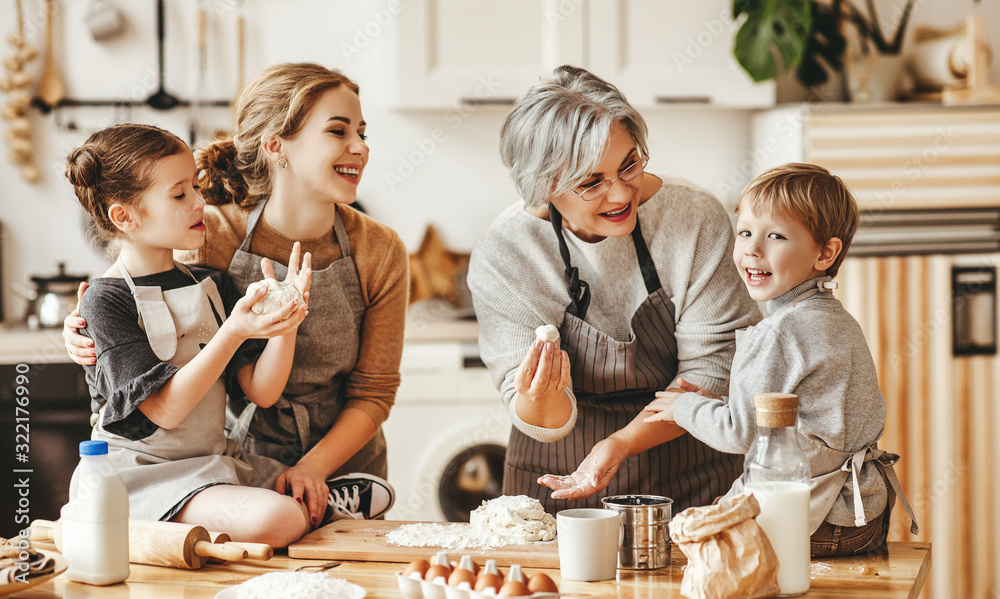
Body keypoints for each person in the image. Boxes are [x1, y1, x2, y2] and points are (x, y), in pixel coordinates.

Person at [63, 63, 407, 528]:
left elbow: (373, 391)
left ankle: (321, 505)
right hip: (237, 466)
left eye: (362, 132)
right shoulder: (208, 234)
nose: (361, 148)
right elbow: (131, 279)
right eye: (338, 131)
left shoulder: (380, 250)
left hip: (336, 467)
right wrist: (81, 329)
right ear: (275, 146)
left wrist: (312, 469)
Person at [467, 65, 761, 514]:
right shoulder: (506, 253)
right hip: (558, 477)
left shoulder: (693, 217)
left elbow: (714, 367)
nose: (621, 194)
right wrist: (540, 398)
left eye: (629, 164)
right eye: (591, 182)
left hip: (694, 468)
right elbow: (537, 417)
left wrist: (623, 443)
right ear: (545, 185)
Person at [643, 163, 919, 556]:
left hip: (817, 518)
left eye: (775, 235)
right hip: (865, 515)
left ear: (825, 252)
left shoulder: (780, 333)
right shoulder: (834, 317)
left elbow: (739, 433)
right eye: (744, 232)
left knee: (696, 550)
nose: (753, 249)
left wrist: (683, 407)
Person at [66, 124, 311, 546]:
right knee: (282, 518)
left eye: (195, 187)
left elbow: (262, 391)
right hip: (139, 476)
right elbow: (165, 411)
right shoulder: (104, 301)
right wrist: (233, 331)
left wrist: (284, 323)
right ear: (124, 216)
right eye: (180, 194)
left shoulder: (211, 283)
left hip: (213, 465)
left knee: (303, 496)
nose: (199, 201)